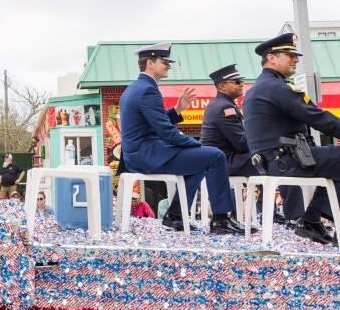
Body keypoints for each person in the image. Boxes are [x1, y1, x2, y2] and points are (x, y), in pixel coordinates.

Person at [118, 43, 243, 234]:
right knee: (215, 156)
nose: (168, 65)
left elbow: (150, 123)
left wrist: (177, 110)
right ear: (150, 63)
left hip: (138, 155)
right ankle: (221, 218)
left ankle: (175, 215)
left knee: (199, 162)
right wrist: (196, 145)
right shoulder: (148, 90)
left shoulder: (135, 88)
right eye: (164, 61)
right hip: (146, 156)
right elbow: (165, 132)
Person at [244, 32, 340, 245]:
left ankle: (312, 220)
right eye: (289, 54)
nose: (295, 59)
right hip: (287, 161)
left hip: (276, 161)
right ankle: (312, 219)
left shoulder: (260, 87)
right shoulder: (277, 87)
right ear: (272, 57)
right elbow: (317, 117)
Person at [201, 63, 304, 223]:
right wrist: (267, 137)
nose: (241, 84)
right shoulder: (224, 108)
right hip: (225, 161)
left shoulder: (224, 104)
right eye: (236, 82)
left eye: (240, 81)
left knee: (270, 158)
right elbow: (241, 143)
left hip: (227, 159)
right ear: (221, 86)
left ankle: (268, 211)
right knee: (282, 161)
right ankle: (294, 217)